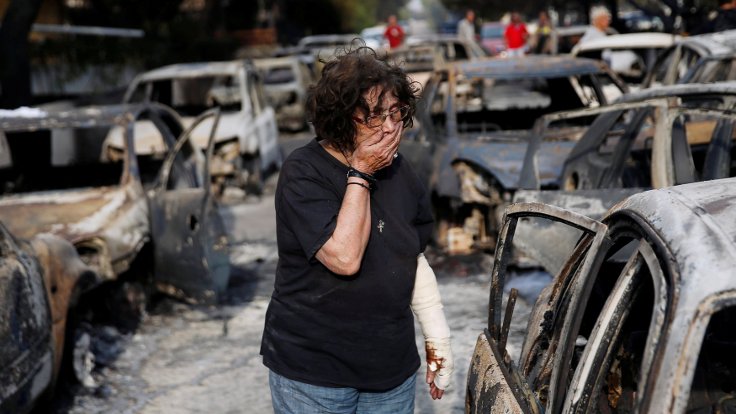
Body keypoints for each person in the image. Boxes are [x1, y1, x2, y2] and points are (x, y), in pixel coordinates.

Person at [260, 46, 454, 413]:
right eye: (375, 116)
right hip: (313, 374)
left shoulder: (400, 172)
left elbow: (411, 257)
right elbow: (344, 258)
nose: (390, 127)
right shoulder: (303, 172)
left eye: (396, 113)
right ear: (341, 117)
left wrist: (438, 338)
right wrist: (362, 171)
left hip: (390, 373)